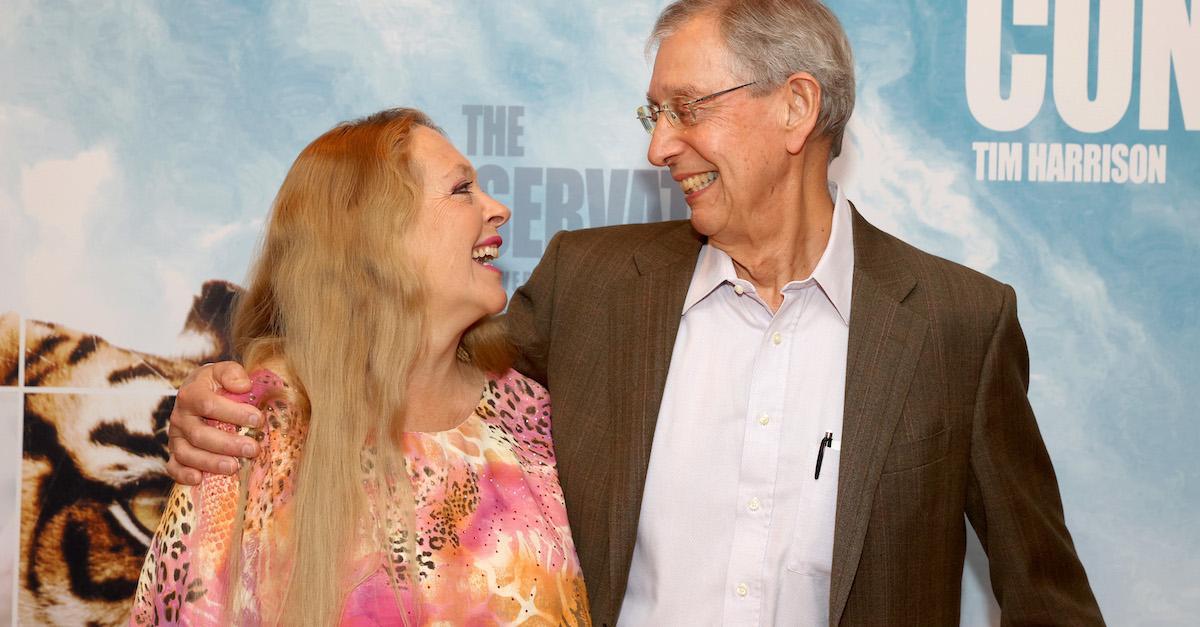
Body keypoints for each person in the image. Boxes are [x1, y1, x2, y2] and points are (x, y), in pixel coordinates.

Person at [166, 1, 1105, 625]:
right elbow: (410, 366)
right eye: (651, 113)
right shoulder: (591, 283)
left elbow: (1045, 595)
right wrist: (224, 390)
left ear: (796, 109)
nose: (660, 146)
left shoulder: (956, 323)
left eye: (686, 109)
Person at [131, 108, 589, 626]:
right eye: (462, 189)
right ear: (374, 235)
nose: (498, 209)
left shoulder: (529, 410)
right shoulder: (258, 426)